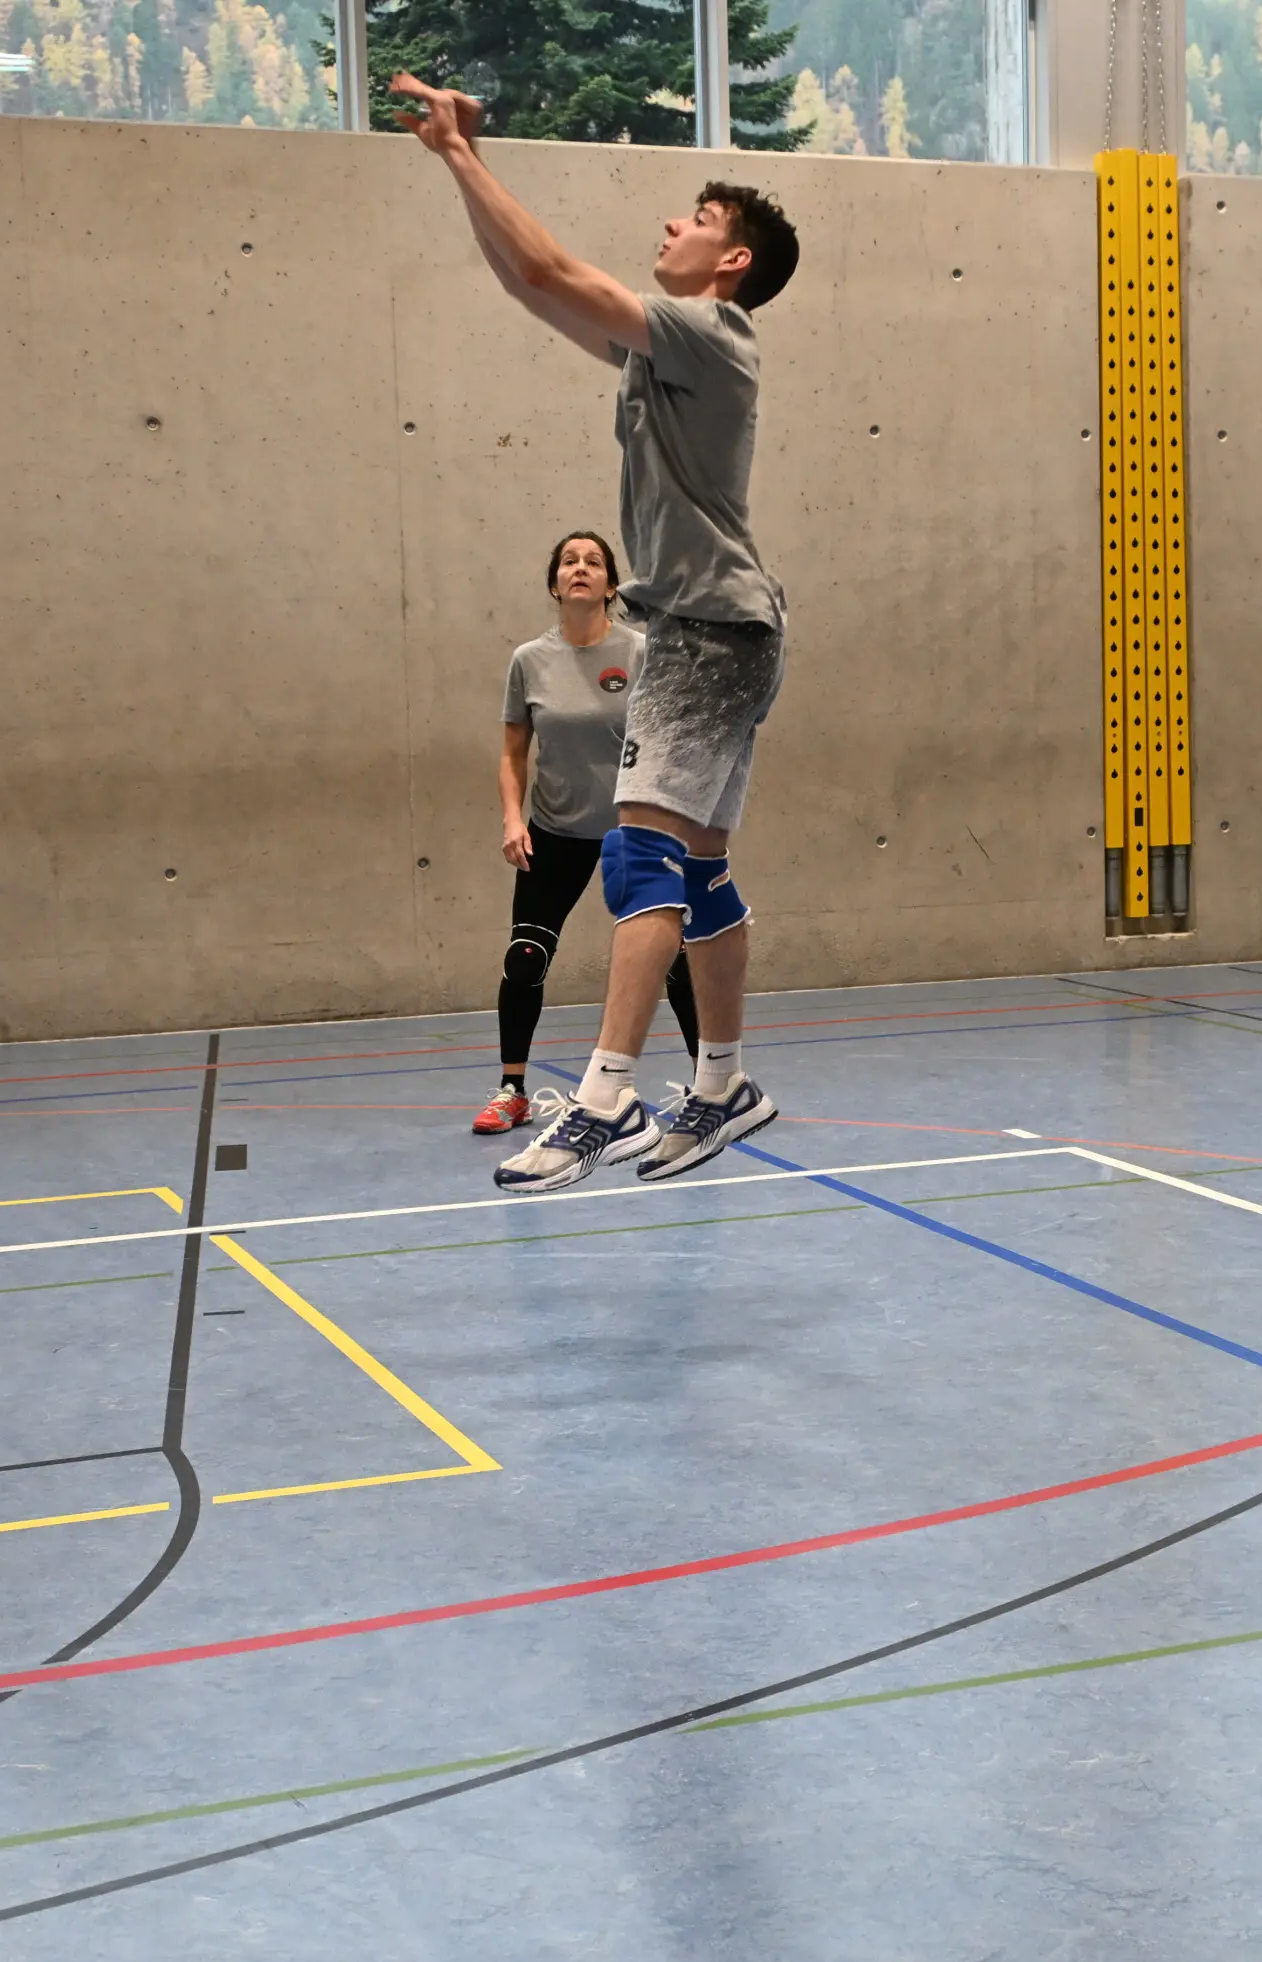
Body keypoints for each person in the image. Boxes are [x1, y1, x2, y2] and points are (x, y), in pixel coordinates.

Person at [387, 76, 799, 1193]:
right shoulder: (657, 353)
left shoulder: (711, 332)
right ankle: (722, 1084)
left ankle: (607, 1093)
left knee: (637, 854)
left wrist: (460, 157)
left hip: (709, 629)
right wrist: (459, 165)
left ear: (732, 262)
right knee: (698, 874)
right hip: (713, 631)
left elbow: (551, 270)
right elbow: (534, 288)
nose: (672, 224)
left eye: (696, 221)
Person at [475, 530, 702, 1137]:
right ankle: (512, 1090)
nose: (580, 569)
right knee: (525, 960)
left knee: (674, 959)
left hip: (635, 832)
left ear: (609, 585)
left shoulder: (641, 652)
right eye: (569, 562)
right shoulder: (529, 661)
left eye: (593, 562)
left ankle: (712, 1085)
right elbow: (511, 753)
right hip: (555, 831)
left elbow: (674, 736)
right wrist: (511, 818)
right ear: (555, 583)